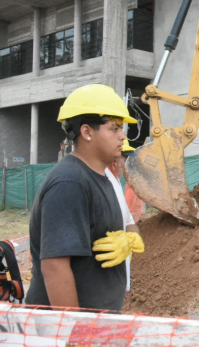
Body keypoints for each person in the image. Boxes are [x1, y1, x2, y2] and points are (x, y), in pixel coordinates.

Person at [26, 84, 144, 311]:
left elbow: (126, 226)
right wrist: (75, 334)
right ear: (87, 132)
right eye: (114, 128)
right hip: (67, 332)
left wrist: (128, 240)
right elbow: (55, 267)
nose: (122, 136)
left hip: (98, 323)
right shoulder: (70, 183)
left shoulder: (102, 177)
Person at [105, 140, 140, 292]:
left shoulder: (115, 181)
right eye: (124, 160)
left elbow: (126, 217)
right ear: (115, 160)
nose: (125, 165)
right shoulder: (104, 181)